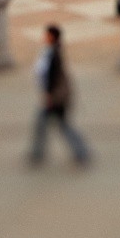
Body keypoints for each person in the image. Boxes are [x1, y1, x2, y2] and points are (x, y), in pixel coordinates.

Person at [30, 24, 91, 167]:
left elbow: (51, 77)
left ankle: (81, 152)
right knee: (46, 124)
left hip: (57, 98)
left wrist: (49, 96)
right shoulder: (53, 51)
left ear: (52, 37)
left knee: (62, 126)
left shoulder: (53, 54)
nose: (44, 37)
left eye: (47, 35)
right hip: (59, 97)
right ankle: (38, 153)